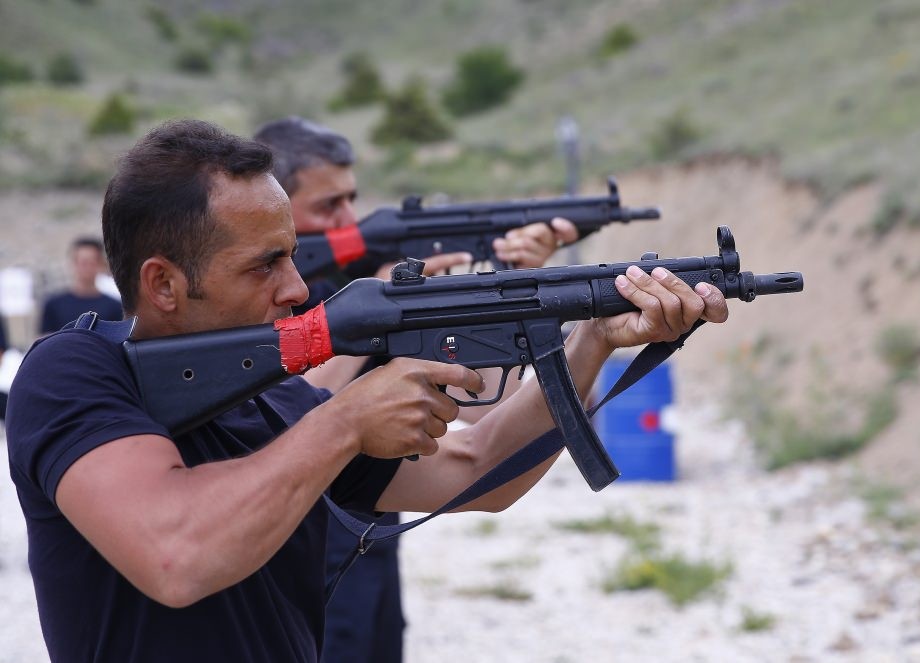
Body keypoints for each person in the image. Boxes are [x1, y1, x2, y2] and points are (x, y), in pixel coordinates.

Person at [6, 119, 728, 663]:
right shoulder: (73, 372)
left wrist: (593, 339)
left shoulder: (274, 400)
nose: (296, 286)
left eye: (294, 255)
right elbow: (175, 555)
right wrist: (346, 419)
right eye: (265, 265)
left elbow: (478, 468)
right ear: (162, 283)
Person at [253, 116, 582, 663]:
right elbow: (284, 407)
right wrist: (369, 320)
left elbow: (483, 416)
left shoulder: (373, 285)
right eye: (328, 206)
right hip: (296, 537)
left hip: (375, 519)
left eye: (352, 201)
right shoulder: (270, 300)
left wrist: (523, 310)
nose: (348, 219)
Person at [39, 236, 123, 334]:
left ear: (101, 264)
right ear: (73, 263)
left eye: (92, 262)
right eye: (83, 262)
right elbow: (43, 341)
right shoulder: (53, 304)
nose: (87, 268)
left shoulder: (114, 307)